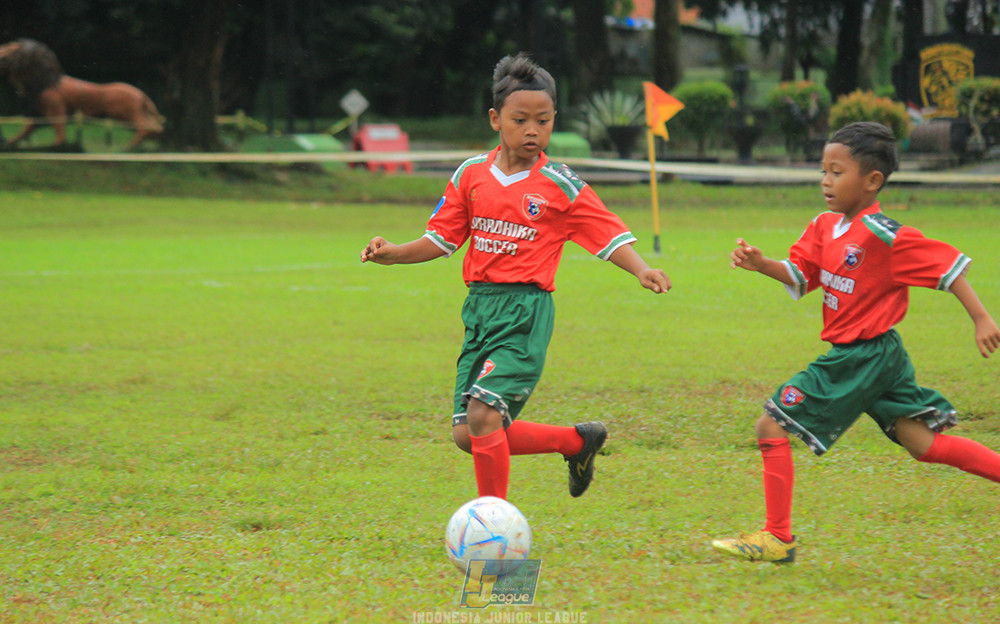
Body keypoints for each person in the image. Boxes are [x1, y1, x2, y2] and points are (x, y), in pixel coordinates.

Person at [360, 53, 671, 501]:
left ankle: (495, 530)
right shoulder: (471, 175)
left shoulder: (559, 183)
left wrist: (642, 268)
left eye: (543, 121)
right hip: (480, 311)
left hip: (525, 313)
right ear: (495, 118)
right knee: (468, 433)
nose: (532, 130)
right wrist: (395, 254)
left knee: (484, 416)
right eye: (520, 119)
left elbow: (605, 231)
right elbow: (442, 238)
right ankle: (575, 442)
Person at [712, 121, 1000, 563]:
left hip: (863, 354)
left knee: (770, 425)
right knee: (923, 444)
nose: (826, 181)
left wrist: (981, 317)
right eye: (823, 171)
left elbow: (948, 268)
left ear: (871, 181)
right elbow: (801, 275)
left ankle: (777, 537)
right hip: (878, 356)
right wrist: (762, 263)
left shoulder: (885, 234)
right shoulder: (824, 226)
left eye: (836, 172)